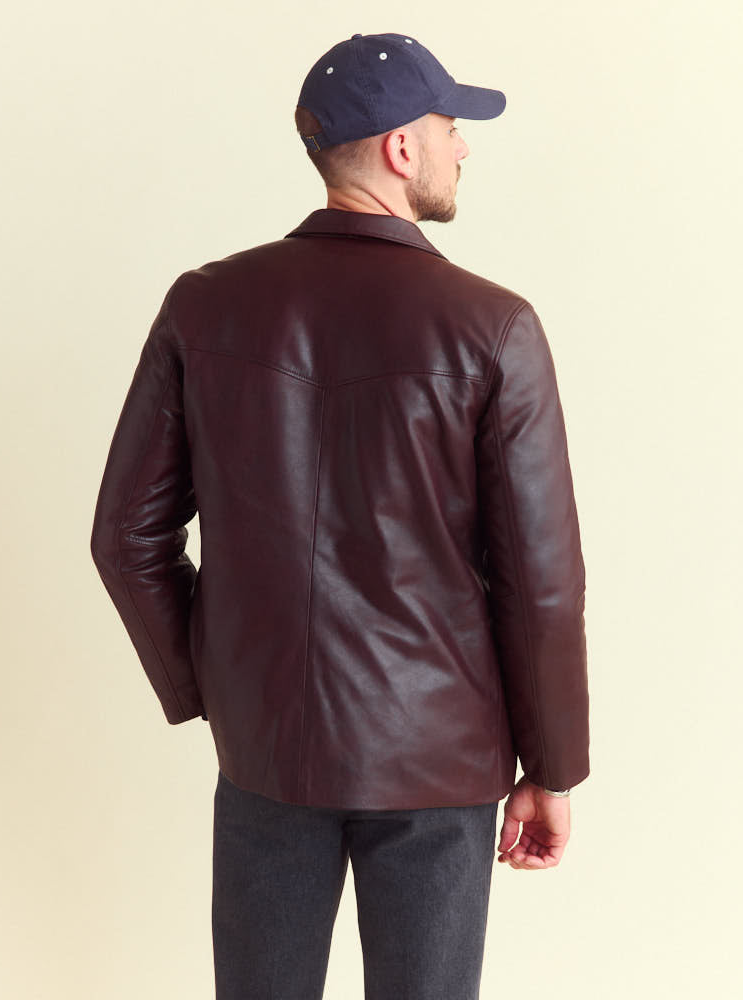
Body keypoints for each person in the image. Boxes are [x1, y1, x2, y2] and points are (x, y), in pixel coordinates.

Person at [90, 30, 590, 1000]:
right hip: (442, 762)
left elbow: (124, 537)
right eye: (450, 127)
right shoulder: (494, 326)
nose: (463, 147)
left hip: (269, 748)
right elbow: (544, 583)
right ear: (402, 147)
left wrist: (215, 683)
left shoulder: (205, 306)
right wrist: (553, 766)